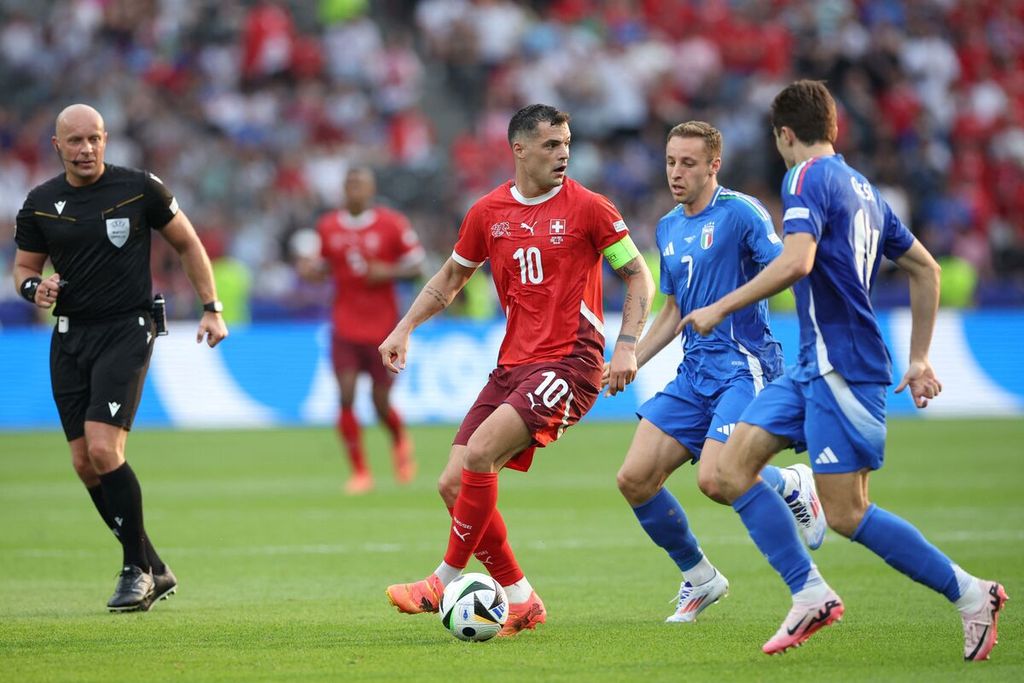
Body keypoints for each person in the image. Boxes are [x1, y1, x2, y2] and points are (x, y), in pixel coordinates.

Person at [681, 80, 1008, 659]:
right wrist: (920, 356)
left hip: (843, 368)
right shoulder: (865, 189)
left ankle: (971, 594)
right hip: (814, 366)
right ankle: (809, 592)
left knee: (848, 514)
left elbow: (797, 260)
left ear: (785, 134)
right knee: (728, 471)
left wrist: (721, 305)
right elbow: (926, 270)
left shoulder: (804, 178)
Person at [380, 103, 655, 636]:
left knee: (481, 454)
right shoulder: (487, 213)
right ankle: (521, 598)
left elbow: (639, 277)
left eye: (567, 143)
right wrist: (404, 327)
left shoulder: (591, 209)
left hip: (571, 361)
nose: (564, 153)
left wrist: (627, 346)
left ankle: (442, 579)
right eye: (552, 145)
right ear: (520, 149)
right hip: (512, 364)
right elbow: (448, 281)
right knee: (452, 484)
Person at [12, 104, 229, 613]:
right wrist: (33, 288)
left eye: (95, 139)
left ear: (106, 140)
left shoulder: (140, 188)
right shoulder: (40, 203)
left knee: (106, 450)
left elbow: (188, 244)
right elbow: (23, 268)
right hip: (68, 338)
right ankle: (154, 565)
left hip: (127, 330)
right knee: (84, 463)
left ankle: (136, 572)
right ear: (57, 146)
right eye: (75, 141)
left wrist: (211, 308)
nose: (86, 149)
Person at [608, 121, 826, 624]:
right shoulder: (667, 226)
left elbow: (786, 269)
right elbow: (673, 307)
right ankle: (701, 578)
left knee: (715, 479)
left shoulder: (741, 214)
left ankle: (791, 483)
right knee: (635, 478)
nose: (676, 173)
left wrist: (727, 306)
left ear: (713, 165)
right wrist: (634, 356)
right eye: (669, 162)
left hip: (744, 365)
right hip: (694, 371)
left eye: (688, 163)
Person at [296, 166, 425, 494]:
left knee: (380, 403)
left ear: (371, 190)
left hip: (384, 329)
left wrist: (389, 271)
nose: (354, 190)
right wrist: (312, 270)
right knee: (346, 396)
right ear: (343, 190)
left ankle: (399, 443)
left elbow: (418, 266)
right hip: (344, 325)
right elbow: (323, 267)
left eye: (360, 185)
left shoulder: (392, 223)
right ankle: (360, 472)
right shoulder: (328, 226)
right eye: (350, 184)